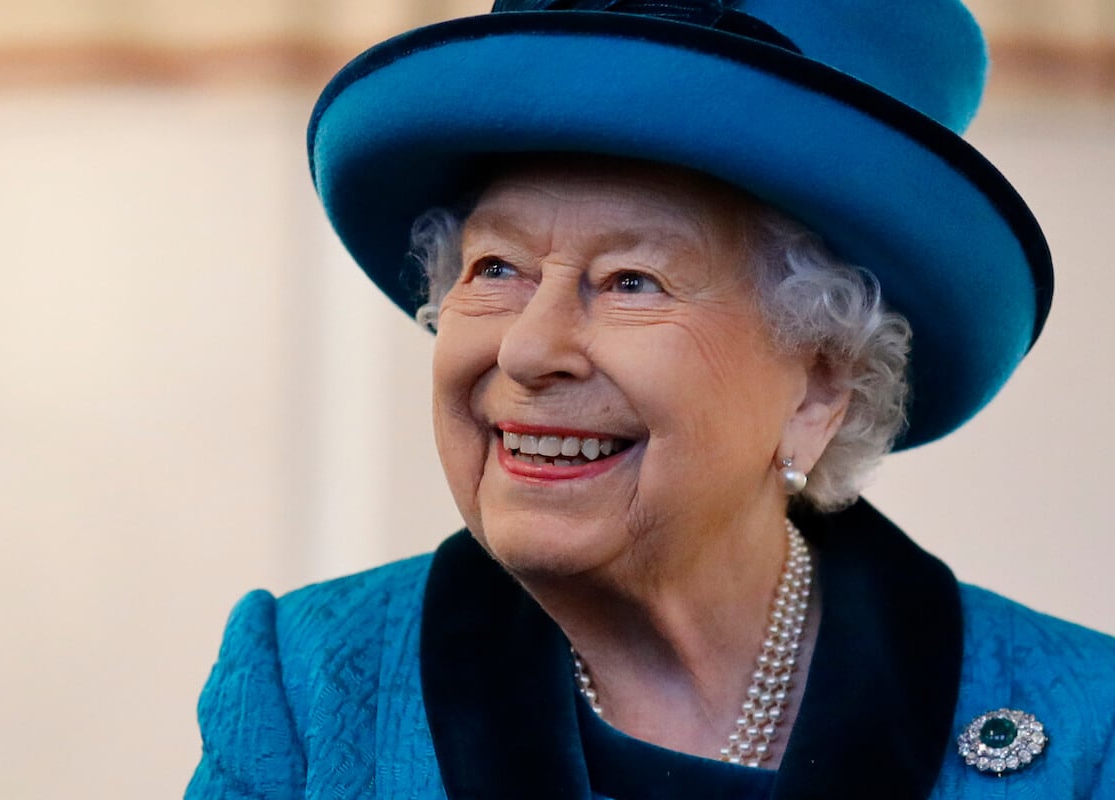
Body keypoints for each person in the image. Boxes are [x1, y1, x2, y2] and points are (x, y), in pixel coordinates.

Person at [186, 1, 1115, 797]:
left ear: (820, 388)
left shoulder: (1082, 730)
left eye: (632, 281)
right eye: (496, 268)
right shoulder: (306, 685)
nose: (529, 346)